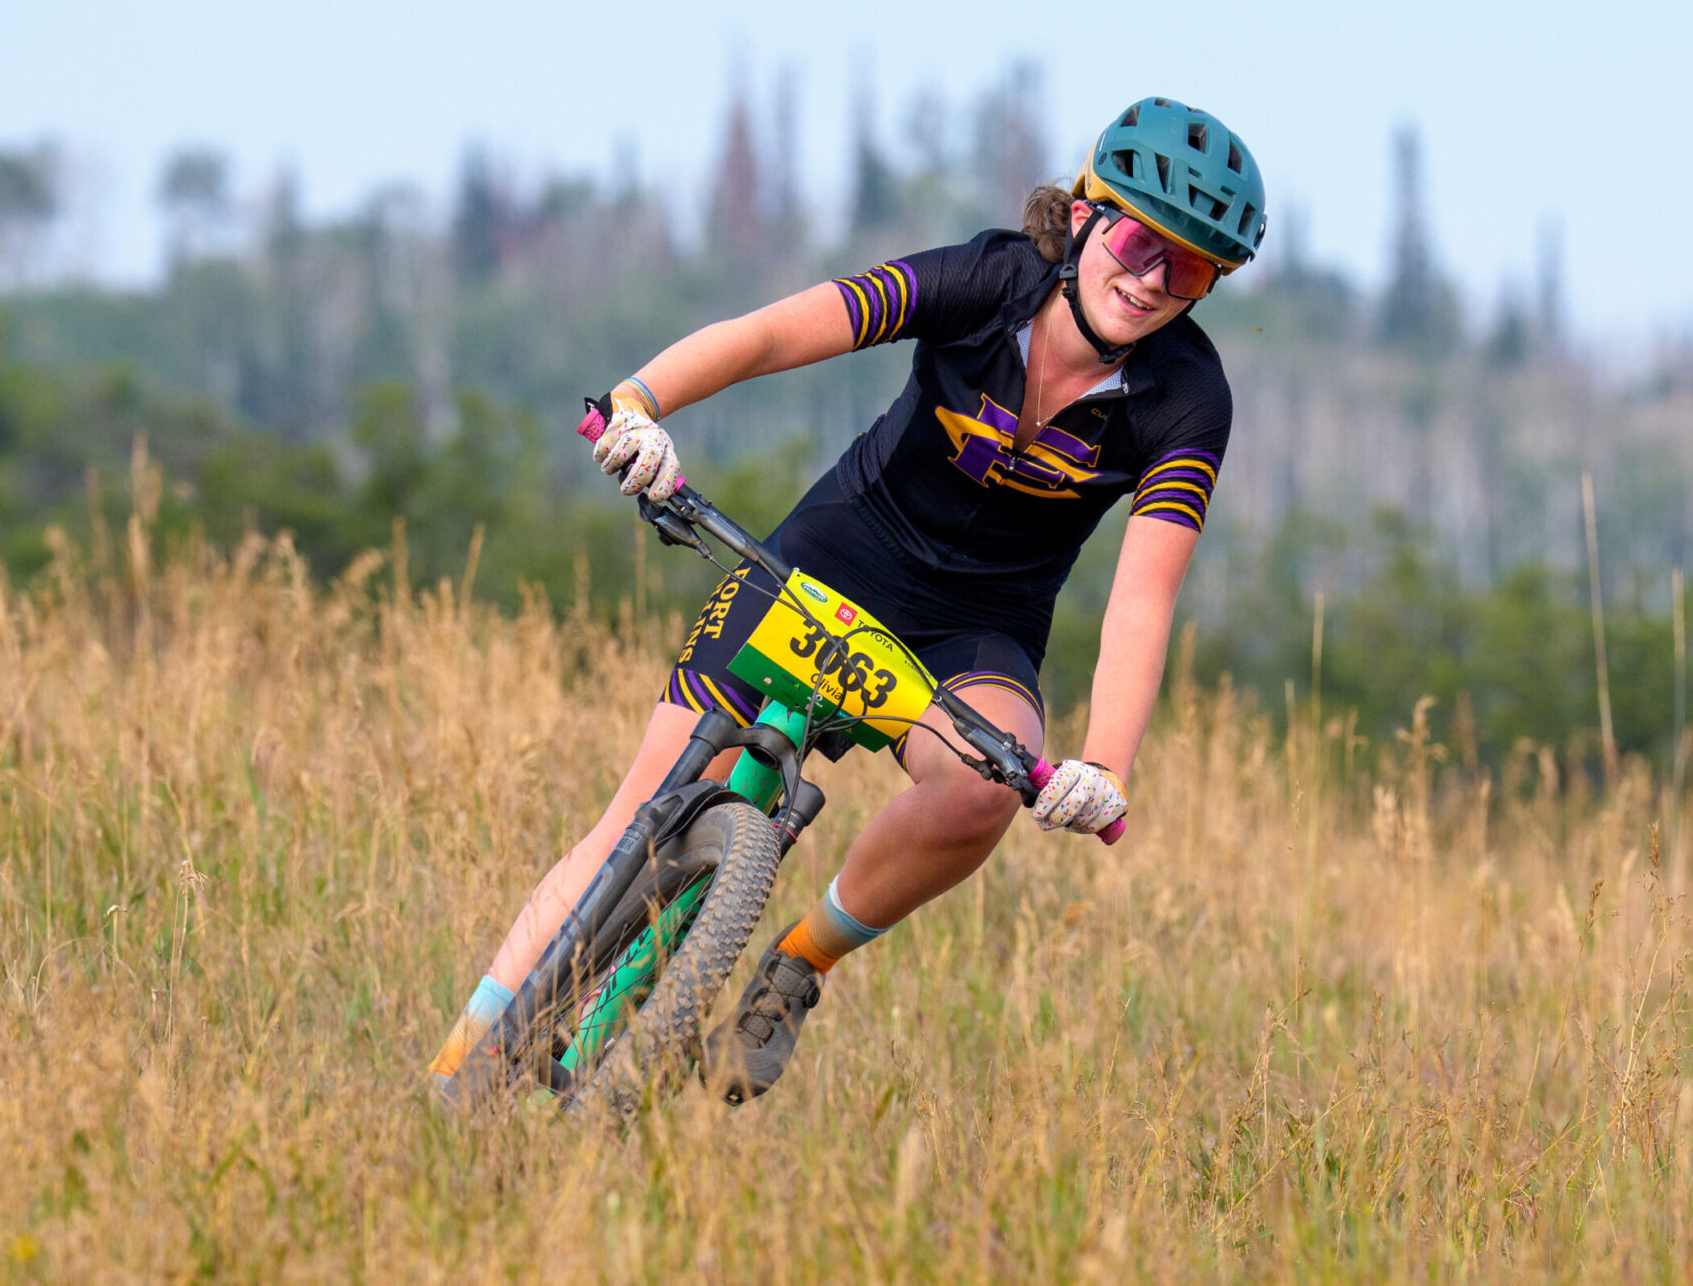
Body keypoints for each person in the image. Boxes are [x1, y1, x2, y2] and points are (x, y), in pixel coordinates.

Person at [430, 95, 1267, 1101]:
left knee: (983, 790)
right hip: (835, 560)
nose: (1152, 281)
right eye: (1138, 243)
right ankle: (455, 1071)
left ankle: (798, 964)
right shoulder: (985, 280)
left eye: (1190, 270)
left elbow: (1143, 594)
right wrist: (639, 404)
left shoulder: (1189, 398)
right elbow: (772, 335)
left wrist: (1106, 763)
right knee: (634, 820)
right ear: (1085, 215)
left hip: (977, 628)